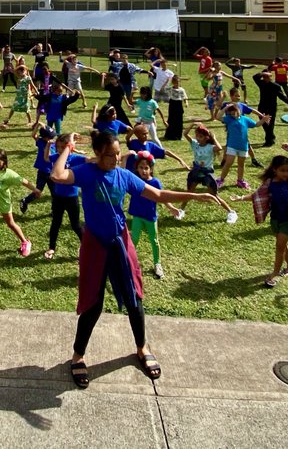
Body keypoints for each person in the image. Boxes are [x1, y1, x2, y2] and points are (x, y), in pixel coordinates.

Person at [50, 130, 227, 388]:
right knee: (93, 304)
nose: (115, 158)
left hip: (120, 243)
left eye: (118, 153)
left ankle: (142, 348)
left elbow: (157, 195)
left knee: (135, 298)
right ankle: (78, 356)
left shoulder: (124, 176)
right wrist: (67, 147)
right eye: (110, 155)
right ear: (98, 153)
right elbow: (57, 175)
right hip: (95, 245)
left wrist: (194, 196)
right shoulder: (87, 173)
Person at [234, 152, 288, 288]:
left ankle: (275, 273)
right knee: (281, 244)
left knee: (279, 246)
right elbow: (257, 195)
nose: (286, 174)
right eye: (282, 171)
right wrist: (241, 198)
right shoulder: (269, 183)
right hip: (276, 219)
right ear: (274, 170)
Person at [127, 152, 180, 280]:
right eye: (141, 168)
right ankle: (127, 263)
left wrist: (171, 208)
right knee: (133, 240)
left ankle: (157, 264)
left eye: (146, 168)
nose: (144, 171)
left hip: (150, 217)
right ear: (137, 168)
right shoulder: (134, 180)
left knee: (154, 241)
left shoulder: (155, 182)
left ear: (151, 169)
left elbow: (162, 197)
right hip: (137, 216)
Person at [0, 148, 41, 256]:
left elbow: (23, 181)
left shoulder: (9, 174)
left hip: (3, 203)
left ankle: (25, 242)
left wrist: (35, 189)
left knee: (11, 224)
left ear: (4, 162)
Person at [44, 133, 86, 260]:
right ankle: (51, 247)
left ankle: (86, 245)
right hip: (58, 197)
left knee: (75, 225)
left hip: (72, 198)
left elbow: (89, 160)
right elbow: (46, 158)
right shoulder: (56, 157)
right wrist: (48, 145)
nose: (61, 150)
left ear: (70, 148)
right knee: (56, 222)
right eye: (59, 147)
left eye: (64, 147)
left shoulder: (75, 158)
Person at [252, 71, 288, 148]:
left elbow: (281, 96)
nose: (266, 79)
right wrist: (263, 72)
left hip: (271, 107)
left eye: (268, 77)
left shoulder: (275, 86)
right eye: (264, 77)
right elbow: (255, 76)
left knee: (269, 124)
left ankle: (269, 141)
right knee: (264, 123)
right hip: (262, 107)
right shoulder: (261, 83)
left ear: (271, 77)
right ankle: (271, 137)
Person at [162, 75, 188, 143]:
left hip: (179, 104)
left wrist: (186, 103)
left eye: (178, 82)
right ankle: (169, 135)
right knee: (171, 119)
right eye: (175, 82)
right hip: (172, 104)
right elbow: (163, 88)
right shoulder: (170, 89)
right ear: (173, 82)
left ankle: (178, 136)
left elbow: (185, 97)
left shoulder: (182, 89)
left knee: (179, 121)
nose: (177, 83)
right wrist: (167, 81)